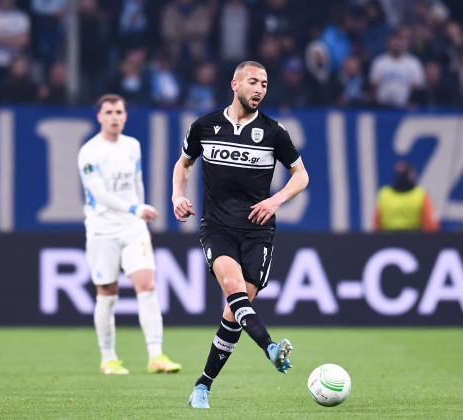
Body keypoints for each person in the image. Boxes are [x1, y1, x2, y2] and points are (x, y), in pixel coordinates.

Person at [172, 61, 309, 409]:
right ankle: (271, 349)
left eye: (264, 83)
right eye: (253, 82)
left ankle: (203, 384)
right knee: (233, 291)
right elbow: (184, 163)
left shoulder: (274, 132)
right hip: (216, 227)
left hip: (257, 233)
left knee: (235, 314)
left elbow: (301, 175)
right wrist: (177, 195)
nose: (260, 89)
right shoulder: (205, 126)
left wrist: (276, 200)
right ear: (235, 84)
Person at [78, 94, 182, 375]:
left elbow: (137, 183)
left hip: (133, 228)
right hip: (102, 229)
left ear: (125, 116)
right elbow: (98, 194)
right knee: (107, 293)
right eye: (109, 112)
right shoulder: (89, 152)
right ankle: (108, 358)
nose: (114, 117)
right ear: (99, 117)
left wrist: (140, 218)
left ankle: (156, 355)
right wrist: (135, 208)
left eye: (119, 112)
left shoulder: (132, 146)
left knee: (147, 286)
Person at [374, 161, 439, 232]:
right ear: (411, 175)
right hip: (415, 241)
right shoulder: (420, 194)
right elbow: (430, 226)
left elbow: (377, 224)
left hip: (387, 241)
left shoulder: (384, 194)